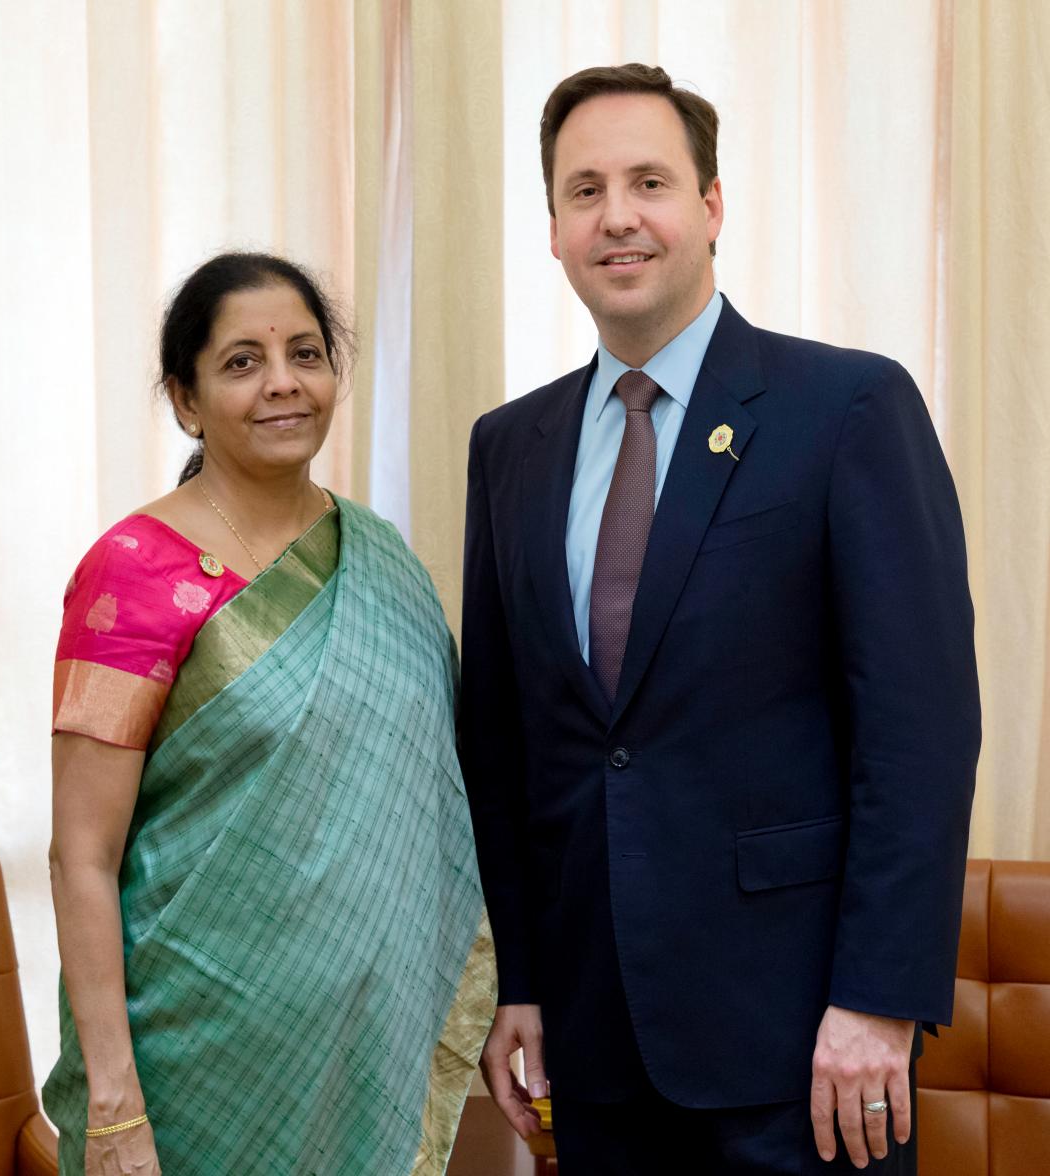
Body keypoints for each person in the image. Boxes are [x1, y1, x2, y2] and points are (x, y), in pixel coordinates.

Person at [460, 64, 979, 1174]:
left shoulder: (846, 408)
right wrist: (524, 983)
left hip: (806, 1048)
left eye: (650, 181)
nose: (618, 216)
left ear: (712, 206)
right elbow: (505, 745)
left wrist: (879, 1003)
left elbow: (920, 732)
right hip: (594, 1048)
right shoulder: (509, 449)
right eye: (583, 189)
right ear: (552, 227)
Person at [45, 251, 494, 1176]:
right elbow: (81, 856)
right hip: (189, 1067)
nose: (283, 383)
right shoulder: (133, 569)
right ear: (186, 399)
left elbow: (439, 806)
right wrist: (117, 1108)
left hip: (362, 1054)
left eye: (305, 353)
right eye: (242, 361)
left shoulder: (378, 559)